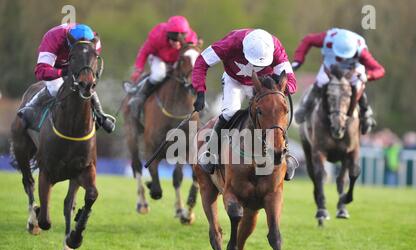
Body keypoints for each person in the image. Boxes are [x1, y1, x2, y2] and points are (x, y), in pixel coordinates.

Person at [192, 28, 298, 180]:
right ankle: (211, 152)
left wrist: (278, 88)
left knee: (274, 112)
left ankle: (286, 156)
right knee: (230, 112)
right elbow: (202, 61)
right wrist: (200, 91)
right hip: (233, 80)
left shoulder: (275, 47)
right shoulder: (231, 43)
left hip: (261, 84)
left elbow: (292, 83)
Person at [18, 23, 115, 133]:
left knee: (87, 84)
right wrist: (63, 72)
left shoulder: (95, 42)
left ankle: (100, 114)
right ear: (68, 42)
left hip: (77, 67)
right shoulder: (53, 38)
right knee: (55, 89)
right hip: (53, 66)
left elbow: (91, 65)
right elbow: (40, 71)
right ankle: (32, 105)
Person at [292, 28, 385, 134]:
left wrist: (368, 76)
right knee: (321, 80)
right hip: (330, 68)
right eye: (339, 55)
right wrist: (298, 59)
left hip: (351, 70)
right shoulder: (327, 39)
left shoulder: (361, 50)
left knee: (358, 84)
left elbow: (380, 70)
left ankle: (365, 113)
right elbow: (307, 40)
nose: (342, 58)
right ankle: (305, 107)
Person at [129, 16, 199, 115]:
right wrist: (138, 69)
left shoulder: (191, 38)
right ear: (167, 35)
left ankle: (199, 100)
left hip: (177, 60)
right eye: (174, 39)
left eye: (180, 39)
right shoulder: (157, 36)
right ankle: (140, 96)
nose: (177, 43)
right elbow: (144, 52)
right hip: (159, 58)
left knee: (185, 76)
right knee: (159, 74)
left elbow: (192, 56)